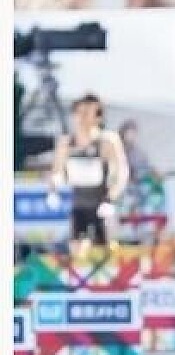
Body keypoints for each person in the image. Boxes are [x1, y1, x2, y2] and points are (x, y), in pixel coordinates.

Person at [47, 93, 129, 252]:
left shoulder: (107, 141)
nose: (82, 118)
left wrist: (111, 198)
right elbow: (56, 171)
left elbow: (121, 172)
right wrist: (52, 190)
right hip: (79, 204)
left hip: (102, 203)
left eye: (87, 113)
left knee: (105, 250)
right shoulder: (66, 143)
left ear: (98, 117)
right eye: (79, 113)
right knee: (77, 249)